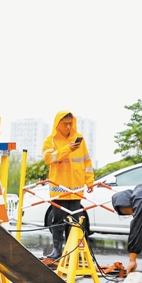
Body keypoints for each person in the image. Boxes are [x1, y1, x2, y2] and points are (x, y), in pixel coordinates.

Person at [41, 110, 95, 260]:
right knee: (57, 221)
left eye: (70, 123)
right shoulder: (50, 141)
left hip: (76, 190)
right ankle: (57, 251)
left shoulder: (80, 139)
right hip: (59, 190)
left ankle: (71, 252)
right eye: (65, 124)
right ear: (58, 124)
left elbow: (87, 161)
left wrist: (89, 180)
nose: (68, 127)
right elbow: (48, 158)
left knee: (75, 222)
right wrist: (67, 149)